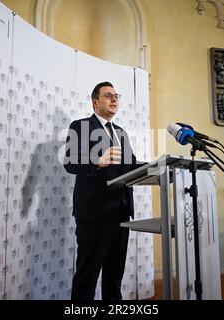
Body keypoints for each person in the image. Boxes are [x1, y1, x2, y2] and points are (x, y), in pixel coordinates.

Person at [63, 81, 144, 300]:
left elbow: (132, 165)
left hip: (121, 214)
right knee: (87, 277)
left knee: (114, 277)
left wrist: (159, 167)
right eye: (108, 95)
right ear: (95, 102)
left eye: (116, 95)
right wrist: (96, 161)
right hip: (94, 215)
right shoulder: (80, 126)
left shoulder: (120, 132)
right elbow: (70, 162)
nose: (114, 99)